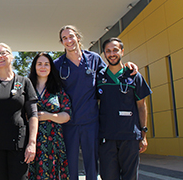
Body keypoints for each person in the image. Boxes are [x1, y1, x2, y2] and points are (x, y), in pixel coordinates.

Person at [54, 25, 138, 180]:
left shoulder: (93, 59)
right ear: (61, 42)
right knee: (70, 165)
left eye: (71, 36)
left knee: (92, 165)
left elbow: (111, 73)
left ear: (78, 38)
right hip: (68, 122)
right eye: (64, 38)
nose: (68, 40)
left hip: (90, 121)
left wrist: (127, 66)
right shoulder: (58, 65)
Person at [0, 43, 38, 180]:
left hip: (19, 146)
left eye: (4, 53)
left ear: (12, 56)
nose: (0, 56)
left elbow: (33, 115)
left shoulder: (24, 82)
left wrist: (32, 143)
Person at [97, 38, 151, 180]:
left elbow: (141, 106)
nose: (112, 54)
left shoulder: (134, 76)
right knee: (108, 176)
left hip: (129, 136)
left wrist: (143, 134)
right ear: (104, 54)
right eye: (108, 51)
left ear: (122, 51)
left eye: (115, 50)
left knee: (130, 176)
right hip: (106, 137)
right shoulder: (99, 77)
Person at [28, 53, 71, 180]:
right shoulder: (27, 87)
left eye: (46, 64)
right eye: (39, 64)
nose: (43, 67)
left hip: (53, 142)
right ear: (34, 67)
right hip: (31, 142)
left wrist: (48, 116)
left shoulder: (58, 89)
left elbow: (67, 115)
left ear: (51, 67)